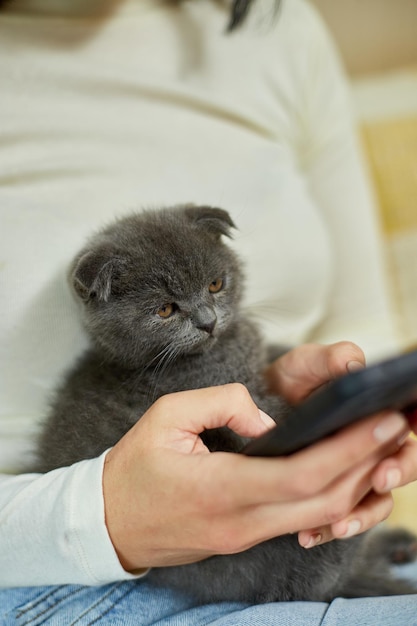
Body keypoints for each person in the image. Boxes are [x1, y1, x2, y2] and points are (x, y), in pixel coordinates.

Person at [1, 0, 417, 623]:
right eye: (169, 309)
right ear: (102, 297)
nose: (205, 319)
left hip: (298, 534)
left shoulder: (277, 27)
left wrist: (356, 415)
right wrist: (103, 514)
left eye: (216, 286)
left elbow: (360, 325)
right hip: (54, 577)